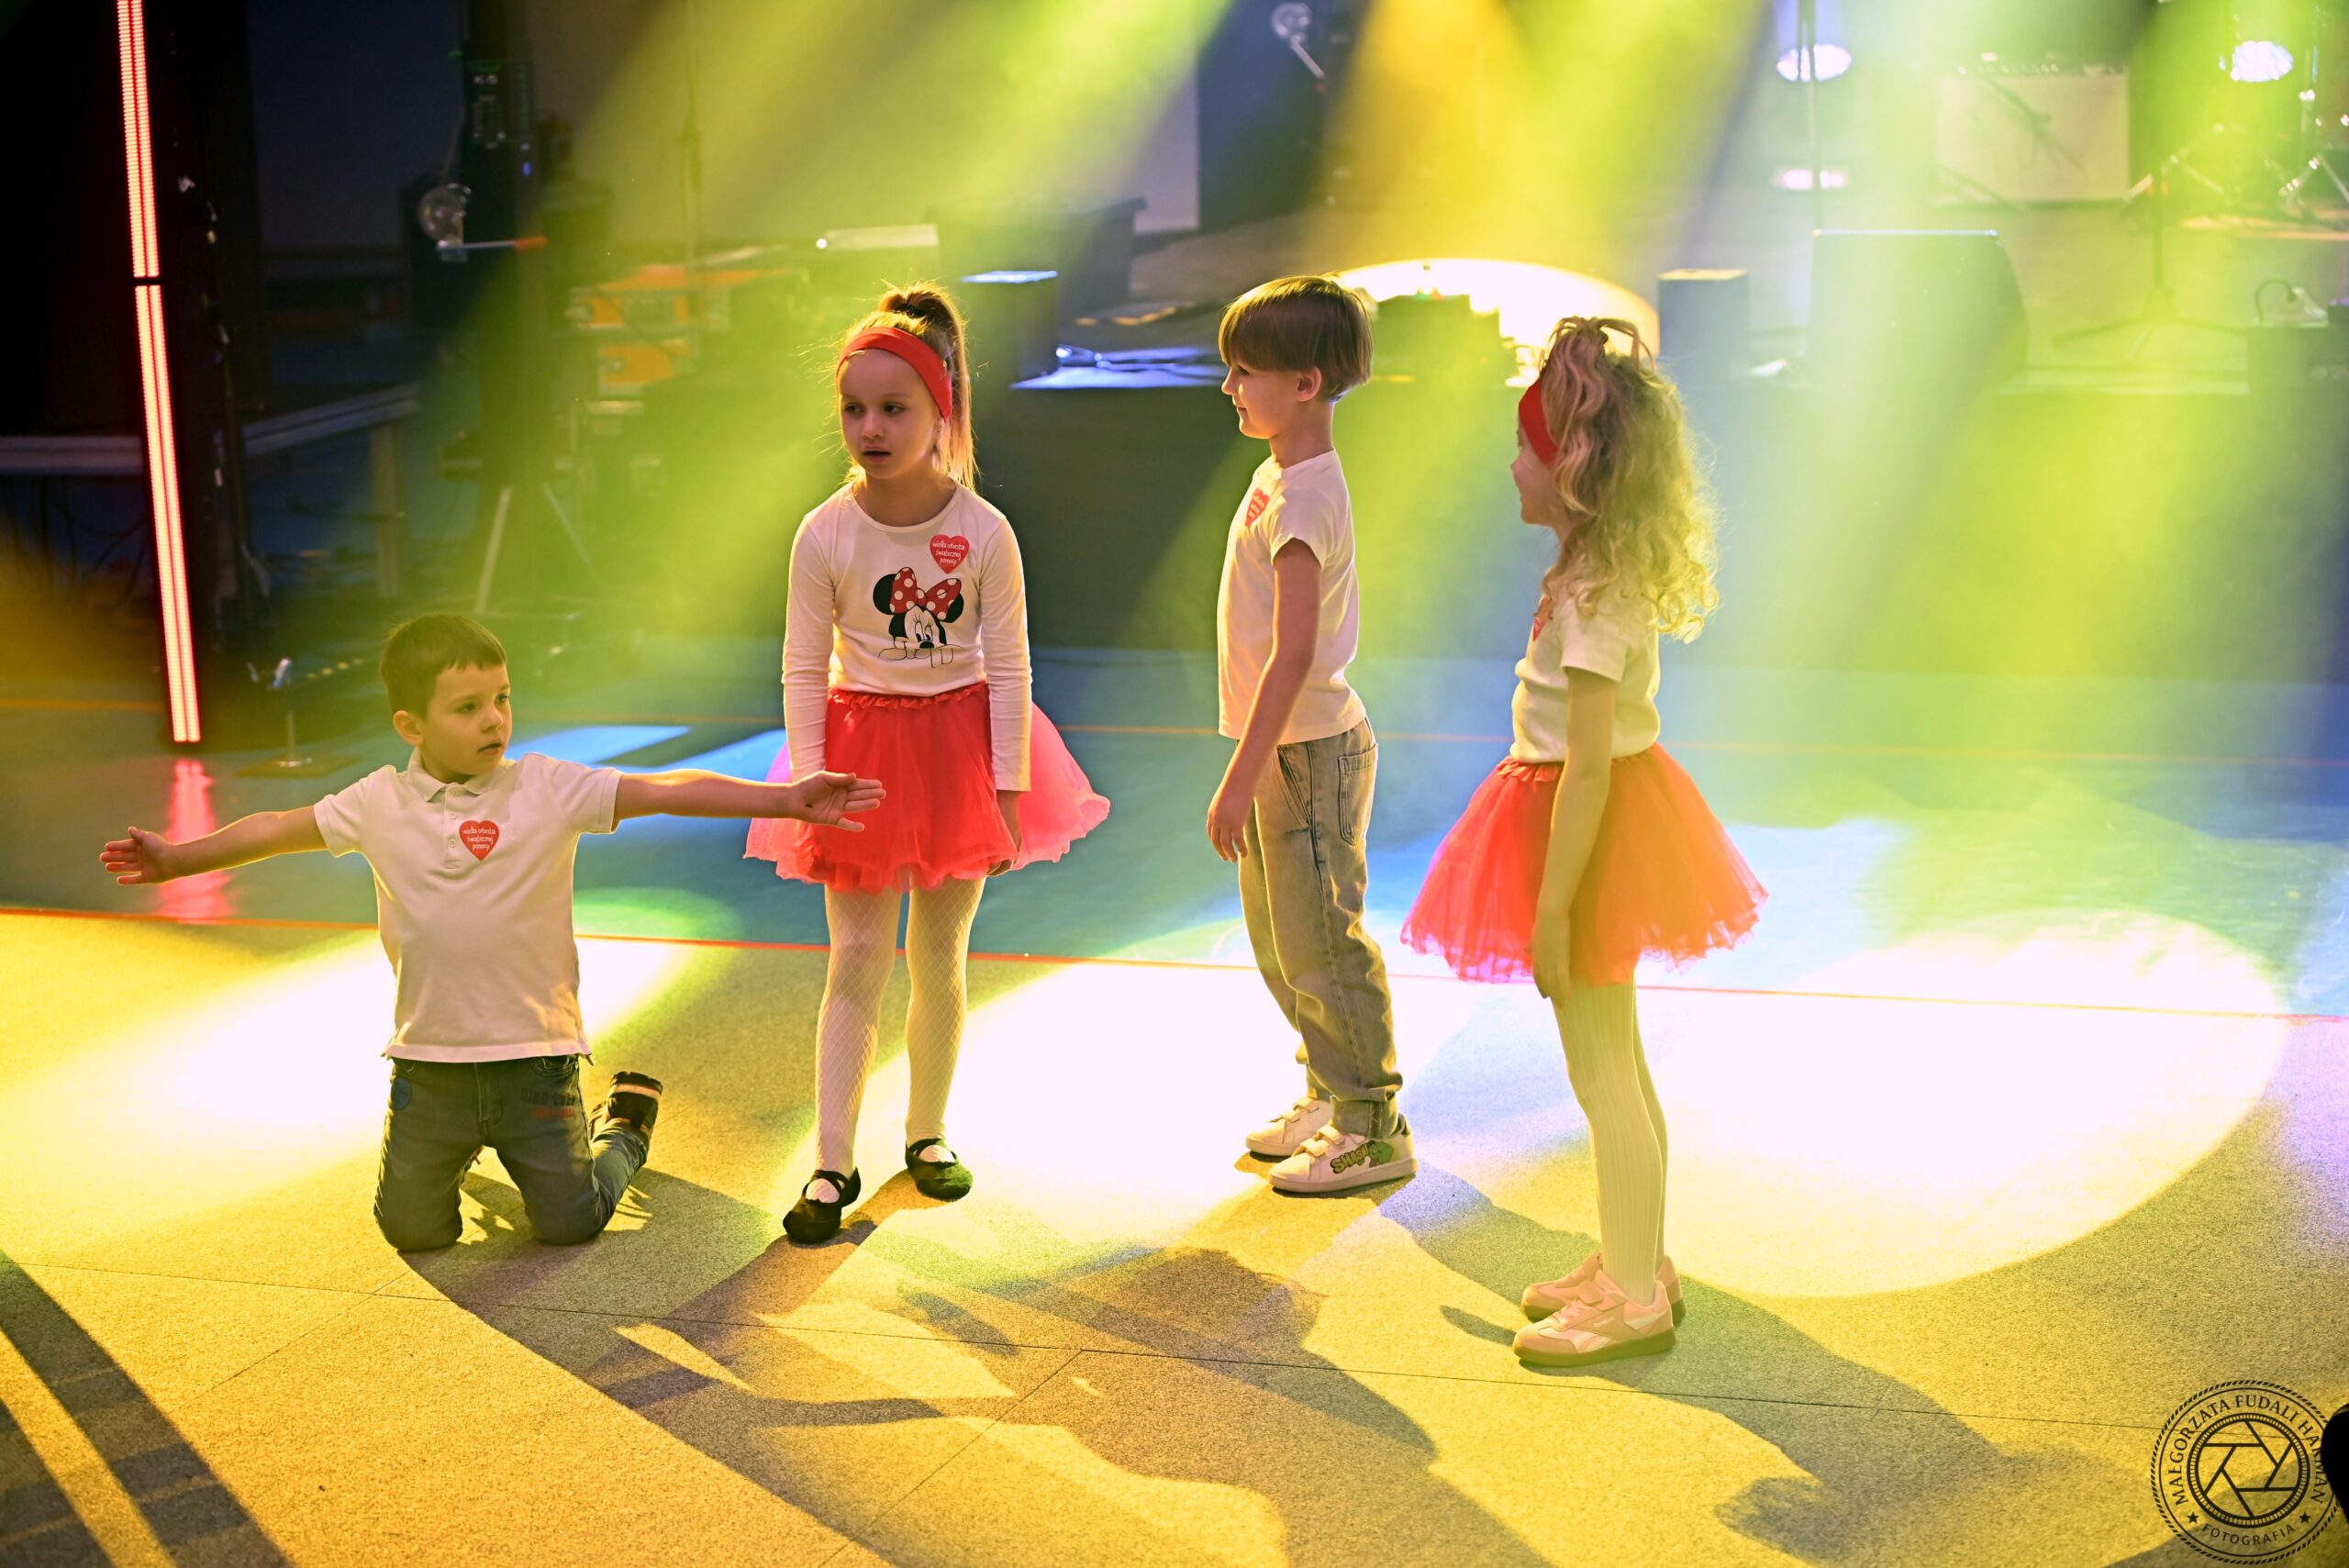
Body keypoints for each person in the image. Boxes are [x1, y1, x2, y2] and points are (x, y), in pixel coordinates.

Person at [98, 612, 883, 1252]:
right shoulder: (377, 802)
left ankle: (625, 1126)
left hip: (535, 1062)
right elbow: (276, 825)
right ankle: (464, 1142)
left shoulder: (546, 786)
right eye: (467, 706)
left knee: (570, 1222)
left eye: (501, 698)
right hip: (429, 1066)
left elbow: (665, 789)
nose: (494, 719)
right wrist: (178, 858)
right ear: (410, 724)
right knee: (413, 1231)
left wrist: (785, 799)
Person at [1402, 317, 1765, 1367]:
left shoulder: (1599, 595)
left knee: (1603, 1075)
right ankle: (1632, 1256)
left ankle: (1635, 1297)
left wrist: (1556, 909)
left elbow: (1592, 766)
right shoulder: (1584, 573)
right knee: (1615, 1065)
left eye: (1524, 446)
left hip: (1589, 831)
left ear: (1570, 467)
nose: (1510, 464)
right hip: (1574, 815)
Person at [746, 284, 1108, 1244]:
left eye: (893, 408)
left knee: (940, 954)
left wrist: (1007, 787)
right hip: (860, 758)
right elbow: (801, 665)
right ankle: (832, 1158)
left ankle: (927, 1131)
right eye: (853, 408)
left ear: (939, 411)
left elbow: (1010, 666)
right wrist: (809, 781)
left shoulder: (983, 531)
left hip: (956, 755)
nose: (870, 427)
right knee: (856, 957)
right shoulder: (824, 530)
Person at [1209, 274, 1410, 1195]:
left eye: (1244, 371)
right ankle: (1330, 1089)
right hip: (1280, 755)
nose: (1229, 387)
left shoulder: (1305, 499)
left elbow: (1292, 656)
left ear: (1306, 382)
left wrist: (1239, 773)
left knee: (1323, 943)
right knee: (1283, 943)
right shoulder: (1276, 477)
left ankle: (1372, 1122)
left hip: (1307, 754)